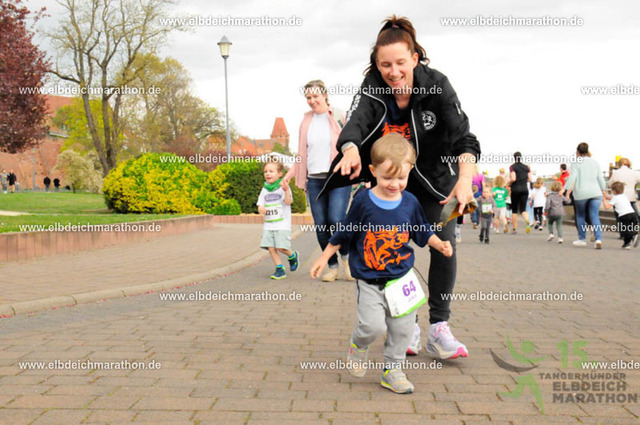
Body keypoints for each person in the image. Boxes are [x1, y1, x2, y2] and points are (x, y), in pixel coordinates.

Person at [323, 15, 479, 359]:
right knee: (393, 246)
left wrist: (465, 180)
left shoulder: (436, 84)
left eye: (400, 63)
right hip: (392, 182)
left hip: (437, 182)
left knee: (443, 245)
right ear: (376, 65)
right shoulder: (372, 86)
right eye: (385, 65)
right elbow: (356, 122)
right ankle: (406, 324)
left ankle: (439, 327)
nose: (393, 72)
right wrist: (350, 149)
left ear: (415, 59)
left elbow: (463, 137)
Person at [310, 134, 453, 394]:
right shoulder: (363, 201)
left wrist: (438, 243)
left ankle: (393, 371)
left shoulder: (410, 202)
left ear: (410, 171)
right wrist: (323, 257)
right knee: (372, 326)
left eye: (401, 178)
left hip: (401, 278)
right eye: (387, 178)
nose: (394, 184)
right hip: (369, 280)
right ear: (373, 171)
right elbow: (345, 232)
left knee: (403, 328)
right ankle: (358, 344)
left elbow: (421, 229)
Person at [282, 80, 352, 282]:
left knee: (336, 220)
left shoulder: (340, 116)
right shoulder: (306, 122)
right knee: (321, 227)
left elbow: (354, 145)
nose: (312, 101)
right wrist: (289, 175)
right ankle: (332, 267)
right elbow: (302, 154)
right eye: (308, 97)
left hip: (337, 178)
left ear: (325, 95)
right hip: (314, 180)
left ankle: (347, 261)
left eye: (315, 96)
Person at [257, 160, 299, 279]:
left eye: (271, 171)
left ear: (280, 174)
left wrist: (286, 191)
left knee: (281, 248)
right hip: (269, 225)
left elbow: (288, 202)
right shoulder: (265, 189)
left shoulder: (283, 187)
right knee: (271, 248)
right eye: (265, 171)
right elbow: (260, 204)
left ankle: (292, 255)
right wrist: (261, 209)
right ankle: (279, 269)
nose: (267, 173)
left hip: (282, 225)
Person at [564, 143, 607, 249]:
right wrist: (603, 189)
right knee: (594, 216)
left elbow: (572, 177)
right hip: (596, 193)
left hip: (581, 193)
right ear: (587, 151)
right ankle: (598, 239)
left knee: (580, 215)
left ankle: (582, 239)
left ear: (578, 152)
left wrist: (565, 189)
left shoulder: (576, 163)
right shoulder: (595, 162)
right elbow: (600, 178)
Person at [603, 181, 639, 249]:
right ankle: (627, 243)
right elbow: (613, 199)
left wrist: (604, 199)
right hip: (632, 214)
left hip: (624, 215)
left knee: (625, 230)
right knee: (628, 229)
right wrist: (607, 197)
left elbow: (607, 207)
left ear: (614, 191)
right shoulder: (624, 196)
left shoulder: (615, 198)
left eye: (612, 190)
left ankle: (633, 237)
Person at [506, 152, 532, 234]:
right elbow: (530, 179)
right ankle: (527, 220)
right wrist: (523, 180)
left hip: (515, 189)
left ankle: (515, 229)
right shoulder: (526, 167)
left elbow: (513, 178)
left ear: (514, 158)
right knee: (523, 209)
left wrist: (508, 183)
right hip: (524, 189)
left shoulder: (512, 167)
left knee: (514, 210)